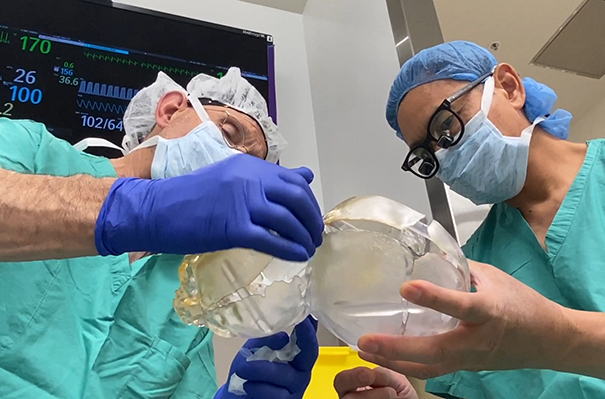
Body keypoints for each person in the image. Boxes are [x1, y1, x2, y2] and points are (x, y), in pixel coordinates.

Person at [0, 67, 323, 398]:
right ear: (170, 110)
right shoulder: (30, 150)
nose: (235, 161)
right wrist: (138, 208)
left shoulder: (190, 292)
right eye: (229, 133)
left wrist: (237, 394)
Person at [348, 40, 605, 399]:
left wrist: (556, 337)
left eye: (445, 126)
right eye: (426, 153)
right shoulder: (472, 268)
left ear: (509, 87)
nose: (443, 155)